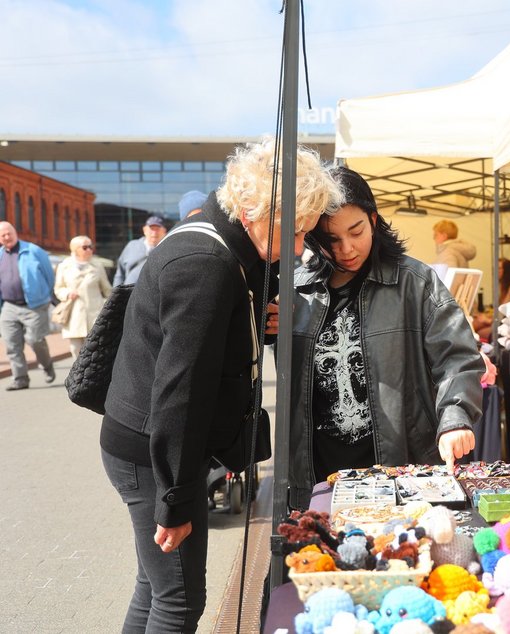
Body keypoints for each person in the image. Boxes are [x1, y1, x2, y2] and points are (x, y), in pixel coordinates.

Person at [98, 138, 341, 632]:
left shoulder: (225, 238)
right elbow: (180, 391)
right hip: (153, 451)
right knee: (180, 600)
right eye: (293, 232)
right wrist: (178, 497)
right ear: (254, 210)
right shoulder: (205, 262)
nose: (297, 248)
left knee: (156, 586)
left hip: (145, 443)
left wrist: (255, 314)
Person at [283, 166, 482, 510]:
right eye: (332, 239)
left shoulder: (415, 282)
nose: (347, 248)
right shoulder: (298, 291)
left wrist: (455, 417)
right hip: (320, 473)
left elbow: (458, 357)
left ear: (373, 220)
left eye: (356, 231)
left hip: (401, 465)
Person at [0, 221, 56, 391]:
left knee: (35, 340)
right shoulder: (0, 255)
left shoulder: (34, 251)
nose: (7, 237)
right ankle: (20, 378)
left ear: (15, 233)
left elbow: (49, 276)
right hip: (9, 306)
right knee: (11, 344)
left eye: (9, 233)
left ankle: (47, 365)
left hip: (35, 305)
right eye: (2, 235)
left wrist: (47, 298)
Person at [53, 235, 112, 359]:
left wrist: (109, 307)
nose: (89, 250)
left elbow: (107, 289)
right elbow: (58, 289)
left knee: (95, 349)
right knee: (76, 349)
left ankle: (94, 376)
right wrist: (67, 293)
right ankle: (79, 376)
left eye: (91, 247)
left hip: (94, 312)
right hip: (74, 315)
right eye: (85, 247)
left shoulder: (97, 265)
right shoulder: (64, 266)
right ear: (75, 249)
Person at [472, 258, 510, 340]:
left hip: (506, 325)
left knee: (479, 331)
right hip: (497, 321)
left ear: (507, 270)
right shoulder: (502, 287)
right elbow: (498, 311)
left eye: (499, 268)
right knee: (475, 323)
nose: (496, 271)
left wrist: (488, 320)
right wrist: (487, 317)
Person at [113, 215, 168, 286]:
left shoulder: (167, 249)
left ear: (164, 231)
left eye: (157, 229)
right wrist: (116, 294)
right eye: (151, 229)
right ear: (144, 230)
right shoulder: (132, 246)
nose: (154, 233)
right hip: (129, 294)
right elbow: (120, 273)